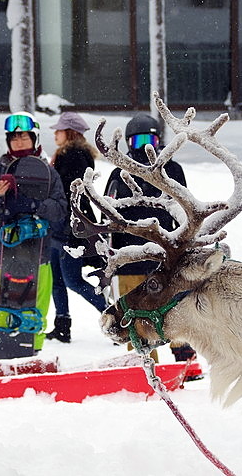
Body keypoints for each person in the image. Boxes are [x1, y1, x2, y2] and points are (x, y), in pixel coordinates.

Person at [103, 113, 197, 363]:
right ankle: (144, 365)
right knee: (135, 317)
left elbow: (185, 209)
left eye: (150, 140)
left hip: (165, 256)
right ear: (128, 144)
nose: (145, 148)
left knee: (175, 308)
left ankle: (185, 358)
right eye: (138, 142)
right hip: (130, 257)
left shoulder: (173, 169)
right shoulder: (119, 174)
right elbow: (108, 213)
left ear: (158, 142)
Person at [0, 111, 67, 352]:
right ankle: (4, 343)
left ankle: (33, 349)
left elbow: (60, 210)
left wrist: (35, 206)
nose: (19, 141)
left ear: (34, 138)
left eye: (24, 137)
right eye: (14, 138)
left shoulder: (48, 171)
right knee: (1, 298)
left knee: (37, 302)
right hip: (2, 249)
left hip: (38, 252)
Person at [46, 112, 107, 343]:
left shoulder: (74, 155)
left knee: (72, 280)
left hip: (70, 227)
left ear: (69, 132)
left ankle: (114, 314)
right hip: (61, 225)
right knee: (57, 279)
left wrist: (72, 228)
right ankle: (62, 326)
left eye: (58, 130)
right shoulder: (69, 154)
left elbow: (72, 193)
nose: (55, 133)